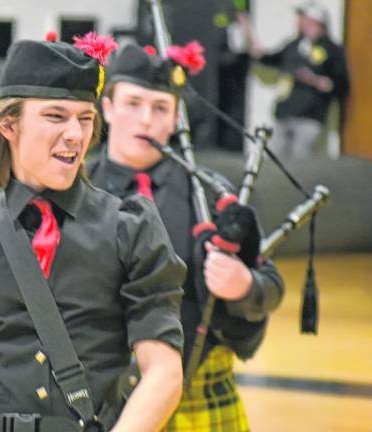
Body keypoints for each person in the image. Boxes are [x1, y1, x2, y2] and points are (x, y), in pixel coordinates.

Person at [0, 33, 186, 432]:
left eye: (85, 119)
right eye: (56, 116)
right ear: (8, 124)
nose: (75, 134)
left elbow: (163, 372)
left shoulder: (130, 228)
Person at [88, 42, 285, 431]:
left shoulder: (210, 195)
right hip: (98, 390)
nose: (146, 119)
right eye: (132, 103)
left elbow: (271, 284)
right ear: (107, 108)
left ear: (176, 117)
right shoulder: (76, 190)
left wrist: (245, 285)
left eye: (161, 107)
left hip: (197, 389)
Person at [239, 0, 349, 158]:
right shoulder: (293, 46)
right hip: (284, 114)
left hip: (310, 117)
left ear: (316, 20)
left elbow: (341, 84)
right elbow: (266, 58)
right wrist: (247, 30)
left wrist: (317, 81)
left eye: (303, 17)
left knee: (298, 163)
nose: (299, 21)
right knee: (274, 160)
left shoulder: (332, 50)